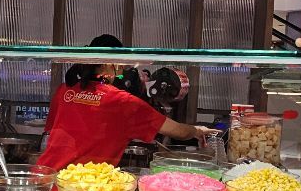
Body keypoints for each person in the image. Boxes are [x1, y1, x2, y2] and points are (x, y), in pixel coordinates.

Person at [37, 34, 218, 171]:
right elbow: (178, 131)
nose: (122, 69)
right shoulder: (122, 101)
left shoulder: (64, 90)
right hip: (83, 189)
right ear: (110, 63)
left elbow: (52, 134)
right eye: (121, 63)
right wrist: (196, 130)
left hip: (45, 179)